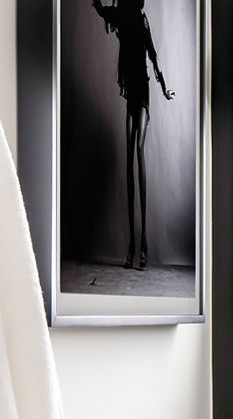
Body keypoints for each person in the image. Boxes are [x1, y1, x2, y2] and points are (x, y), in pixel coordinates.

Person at [90, 0, 175, 270]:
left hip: (143, 92)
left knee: (138, 150)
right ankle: (131, 244)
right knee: (129, 156)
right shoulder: (122, 17)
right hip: (131, 96)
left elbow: (154, 55)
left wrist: (164, 87)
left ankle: (144, 244)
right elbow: (101, 9)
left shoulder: (140, 19)